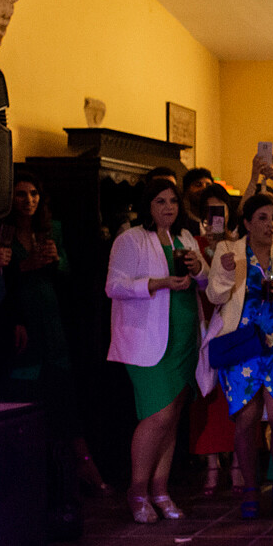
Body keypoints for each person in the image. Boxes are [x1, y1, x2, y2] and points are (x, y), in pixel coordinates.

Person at [105, 177, 207, 524]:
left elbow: (205, 281)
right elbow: (114, 286)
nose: (168, 208)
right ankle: (137, 490)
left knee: (174, 416)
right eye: (160, 201)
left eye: (173, 202)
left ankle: (161, 490)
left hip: (183, 337)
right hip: (147, 339)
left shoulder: (186, 238)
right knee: (157, 415)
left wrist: (199, 269)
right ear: (148, 205)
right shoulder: (130, 239)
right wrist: (160, 283)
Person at [5, 171, 109, 495]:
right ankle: (34, 474)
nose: (29, 201)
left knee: (63, 393)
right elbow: (0, 281)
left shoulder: (52, 229)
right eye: (21, 194)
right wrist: (24, 267)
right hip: (21, 315)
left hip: (52, 315)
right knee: (27, 392)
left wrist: (57, 259)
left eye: (34, 194)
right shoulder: (2, 233)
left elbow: (67, 273)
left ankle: (82, 465)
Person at [206, 194, 273, 518]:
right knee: (246, 420)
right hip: (241, 344)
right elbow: (215, 294)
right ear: (247, 223)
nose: (270, 224)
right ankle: (250, 489)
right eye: (262, 218)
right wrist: (224, 272)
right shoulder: (228, 250)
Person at [192, 182, 238, 495]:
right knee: (205, 395)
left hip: (231, 321)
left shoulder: (237, 243)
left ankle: (236, 463)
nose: (214, 218)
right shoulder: (192, 243)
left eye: (219, 210)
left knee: (233, 394)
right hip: (202, 320)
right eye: (209, 212)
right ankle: (211, 464)